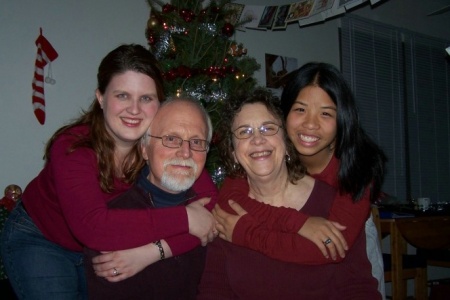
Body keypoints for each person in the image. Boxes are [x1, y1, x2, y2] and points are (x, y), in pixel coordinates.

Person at [0, 44, 217, 300]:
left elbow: (209, 211)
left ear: (158, 103)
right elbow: (94, 227)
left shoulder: (158, 146)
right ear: (101, 98)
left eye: (146, 98)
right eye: (122, 95)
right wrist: (185, 219)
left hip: (95, 251)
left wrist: (155, 251)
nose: (134, 109)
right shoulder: (73, 148)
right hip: (40, 238)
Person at [214, 62, 387, 297]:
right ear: (284, 117)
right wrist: (299, 222)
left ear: (342, 120)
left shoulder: (356, 172)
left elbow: (327, 249)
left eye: (325, 113)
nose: (310, 124)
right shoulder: (266, 154)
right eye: (300, 109)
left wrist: (246, 233)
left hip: (349, 233)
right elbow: (229, 199)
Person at [84, 96, 216, 299]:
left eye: (197, 141)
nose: (185, 152)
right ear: (144, 148)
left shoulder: (213, 210)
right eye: (171, 139)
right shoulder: (112, 221)